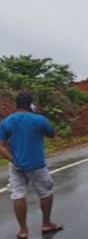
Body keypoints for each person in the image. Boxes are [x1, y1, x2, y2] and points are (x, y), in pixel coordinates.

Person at [0, 92, 63, 239]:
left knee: (18, 195)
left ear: (17, 104)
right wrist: (38, 115)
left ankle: (23, 231)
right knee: (45, 193)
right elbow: (52, 134)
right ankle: (46, 223)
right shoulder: (39, 119)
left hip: (16, 165)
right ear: (30, 104)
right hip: (36, 164)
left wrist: (14, 160)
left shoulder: (7, 121)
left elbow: (1, 146)